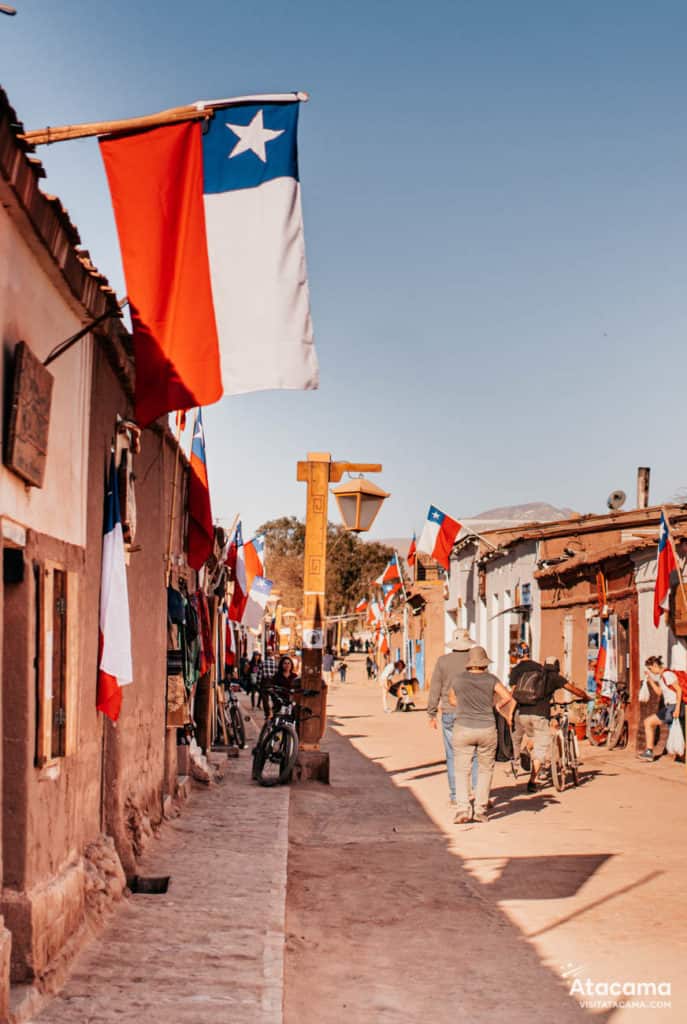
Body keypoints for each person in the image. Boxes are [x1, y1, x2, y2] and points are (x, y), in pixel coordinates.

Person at [451, 646, 515, 824]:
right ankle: (480, 810)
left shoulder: (458, 679)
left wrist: (464, 705)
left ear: (469, 663)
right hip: (486, 728)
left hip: (463, 728)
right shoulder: (491, 679)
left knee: (462, 770)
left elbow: (451, 699)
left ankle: (463, 809)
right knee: (486, 769)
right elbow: (508, 696)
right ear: (484, 663)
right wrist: (497, 705)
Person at [511, 654, 586, 792]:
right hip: (538, 715)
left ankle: (527, 749)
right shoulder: (554, 677)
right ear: (557, 667)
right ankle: (532, 782)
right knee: (541, 748)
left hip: (523, 714)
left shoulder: (534, 675)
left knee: (535, 737)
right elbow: (573, 689)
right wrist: (585, 697)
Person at [427, 627, 478, 807]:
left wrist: (431, 713)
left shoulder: (442, 661)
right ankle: (477, 792)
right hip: (472, 712)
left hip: (449, 712)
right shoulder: (475, 660)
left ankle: (456, 794)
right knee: (475, 753)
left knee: (452, 754)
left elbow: (435, 687)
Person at [638, 656, 683, 762]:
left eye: (650, 669)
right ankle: (649, 752)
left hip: (673, 706)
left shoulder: (667, 675)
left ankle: (679, 753)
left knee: (675, 730)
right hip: (669, 706)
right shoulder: (662, 676)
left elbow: (679, 690)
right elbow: (659, 692)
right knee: (648, 722)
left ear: (655, 665)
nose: (651, 671)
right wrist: (650, 680)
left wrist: (676, 709)